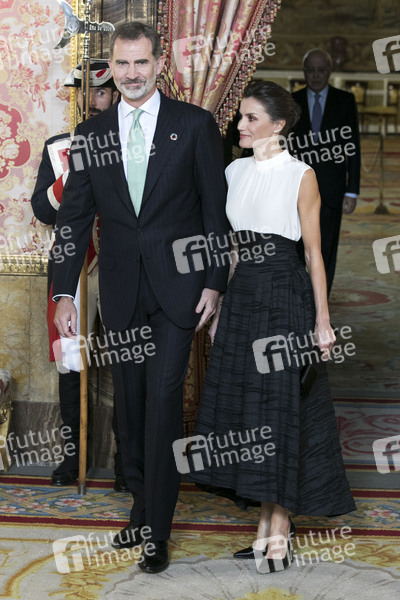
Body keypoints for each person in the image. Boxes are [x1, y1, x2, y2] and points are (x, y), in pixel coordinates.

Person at [52, 22, 229, 574]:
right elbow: (73, 220)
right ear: (112, 66)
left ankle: (158, 530)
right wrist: (64, 293)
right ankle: (140, 508)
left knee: (162, 402)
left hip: (180, 291)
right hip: (121, 290)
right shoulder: (91, 134)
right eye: (122, 64)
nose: (131, 74)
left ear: (159, 64)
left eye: (141, 63)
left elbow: (215, 211)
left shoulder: (194, 125)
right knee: (129, 410)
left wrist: (214, 282)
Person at [190, 81, 356, 573]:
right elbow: (232, 247)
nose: (240, 125)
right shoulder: (234, 170)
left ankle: (278, 528)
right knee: (252, 412)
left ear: (278, 125)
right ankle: (264, 523)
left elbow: (314, 254)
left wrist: (323, 321)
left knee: (280, 411)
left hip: (285, 295)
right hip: (243, 297)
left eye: (251, 118)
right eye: (240, 117)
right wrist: (221, 307)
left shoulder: (301, 175)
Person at [31, 60, 128, 492]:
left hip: (119, 264)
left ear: (115, 95)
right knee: (71, 365)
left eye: (101, 91)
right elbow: (42, 210)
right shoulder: (57, 147)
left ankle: (128, 463)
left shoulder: (130, 141)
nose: (92, 100)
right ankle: (72, 459)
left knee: (127, 364)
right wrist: (73, 173)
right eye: (85, 91)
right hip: (73, 267)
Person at [290, 49, 361, 295]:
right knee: (297, 247)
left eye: (321, 70)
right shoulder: (292, 100)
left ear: (329, 71)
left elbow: (353, 147)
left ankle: (321, 300)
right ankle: (299, 298)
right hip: (297, 189)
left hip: (332, 189)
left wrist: (352, 190)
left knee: (326, 249)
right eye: (311, 70)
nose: (316, 75)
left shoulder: (345, 101)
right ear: (304, 72)